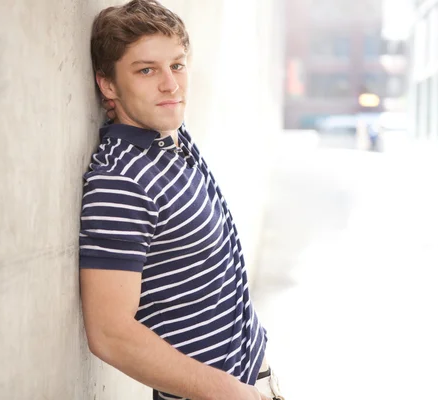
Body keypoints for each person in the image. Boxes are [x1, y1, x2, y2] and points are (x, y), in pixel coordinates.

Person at [79, 1, 283, 399]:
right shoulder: (121, 182)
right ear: (107, 85)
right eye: (146, 70)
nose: (170, 85)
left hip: (253, 377)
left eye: (177, 65)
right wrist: (230, 392)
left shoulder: (168, 140)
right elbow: (109, 333)